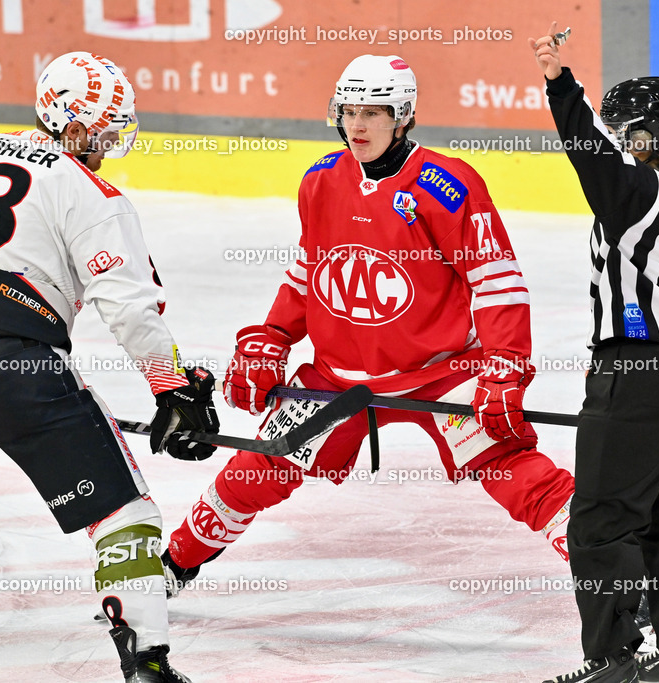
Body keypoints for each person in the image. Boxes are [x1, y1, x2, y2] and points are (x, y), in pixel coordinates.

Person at [160, 54, 576, 599]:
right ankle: (175, 564)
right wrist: (272, 337)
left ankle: (617, 574)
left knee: (513, 468)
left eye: (374, 113)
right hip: (340, 375)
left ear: (402, 116)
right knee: (257, 469)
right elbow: (310, 272)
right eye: (350, 111)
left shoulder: (450, 185)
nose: (357, 125)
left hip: (441, 371)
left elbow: (497, 283)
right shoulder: (320, 180)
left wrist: (505, 368)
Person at [0, 51, 220, 682]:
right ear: (74, 127)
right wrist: (175, 394)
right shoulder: (92, 192)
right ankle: (147, 665)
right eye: (103, 133)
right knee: (125, 514)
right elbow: (129, 306)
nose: (108, 148)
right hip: (11, 360)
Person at [530, 23, 659, 683]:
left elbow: (584, 152)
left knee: (600, 523)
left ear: (646, 135)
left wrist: (560, 85)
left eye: (624, 132)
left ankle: (613, 658)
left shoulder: (635, 195)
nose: (614, 142)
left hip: (635, 377)